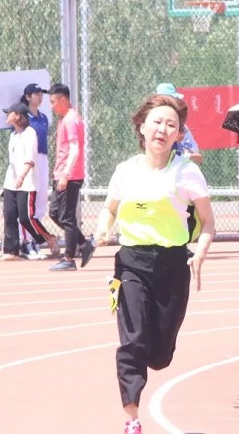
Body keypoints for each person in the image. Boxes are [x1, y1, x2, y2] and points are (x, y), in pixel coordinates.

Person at [92, 94, 215, 434]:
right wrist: (103, 229)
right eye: (157, 122)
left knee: (159, 356)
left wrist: (200, 253)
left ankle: (153, 354)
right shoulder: (125, 171)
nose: (163, 129)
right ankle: (132, 419)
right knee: (132, 342)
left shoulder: (187, 172)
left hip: (172, 265)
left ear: (179, 135)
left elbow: (208, 222)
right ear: (142, 127)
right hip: (131, 262)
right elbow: (110, 209)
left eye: (171, 125)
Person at [0, 102, 60, 261]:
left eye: (10, 113)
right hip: (10, 183)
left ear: (18, 116)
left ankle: (48, 238)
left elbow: (30, 160)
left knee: (26, 218)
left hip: (26, 183)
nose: (7, 116)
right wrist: (11, 181)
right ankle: (11, 251)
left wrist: (21, 176)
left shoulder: (30, 133)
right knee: (9, 215)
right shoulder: (13, 135)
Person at [46, 83, 95, 271]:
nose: (51, 106)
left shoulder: (71, 119)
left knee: (66, 217)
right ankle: (83, 244)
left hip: (70, 176)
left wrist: (66, 175)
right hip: (62, 174)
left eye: (53, 102)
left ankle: (69, 258)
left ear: (63, 100)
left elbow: (75, 149)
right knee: (54, 213)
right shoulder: (66, 119)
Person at [18, 83, 53, 259]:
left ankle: (35, 240)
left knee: (40, 201)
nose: (40, 97)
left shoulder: (44, 117)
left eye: (41, 94)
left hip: (43, 158)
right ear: (28, 97)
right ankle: (25, 242)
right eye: (36, 94)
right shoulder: (24, 117)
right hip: (30, 159)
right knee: (28, 202)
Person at [154, 83, 203, 164]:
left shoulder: (183, 128)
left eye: (175, 100)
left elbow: (197, 156)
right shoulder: (151, 126)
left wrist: (187, 154)